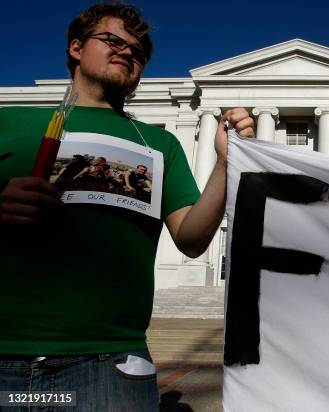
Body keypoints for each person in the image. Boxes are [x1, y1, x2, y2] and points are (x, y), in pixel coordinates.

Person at [0, 2, 254, 410]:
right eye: (112, 40)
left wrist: (226, 163)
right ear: (76, 48)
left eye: (137, 51)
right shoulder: (11, 123)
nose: (126, 52)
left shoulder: (160, 143)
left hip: (112, 359)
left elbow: (191, 237)